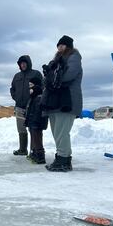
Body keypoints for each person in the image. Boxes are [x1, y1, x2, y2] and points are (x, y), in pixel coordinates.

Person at [41, 35, 83, 172]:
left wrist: (50, 76)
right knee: (56, 132)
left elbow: (68, 75)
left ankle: (64, 160)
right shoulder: (56, 61)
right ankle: (60, 158)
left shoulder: (74, 58)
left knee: (62, 132)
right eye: (58, 45)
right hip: (54, 102)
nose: (60, 48)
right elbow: (47, 80)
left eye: (63, 45)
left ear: (69, 46)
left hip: (67, 101)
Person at [10, 55, 43, 156]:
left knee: (33, 128)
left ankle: (35, 150)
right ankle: (22, 149)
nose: (23, 65)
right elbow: (12, 89)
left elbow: (42, 87)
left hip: (32, 107)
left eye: (24, 63)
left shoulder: (36, 74)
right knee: (21, 128)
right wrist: (15, 97)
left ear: (28, 63)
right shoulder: (17, 76)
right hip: (20, 106)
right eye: (21, 63)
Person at [24, 78, 48, 164]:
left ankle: (40, 156)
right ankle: (35, 153)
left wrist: (35, 123)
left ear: (36, 86)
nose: (29, 88)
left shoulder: (39, 97)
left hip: (36, 123)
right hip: (33, 122)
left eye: (31, 86)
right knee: (34, 138)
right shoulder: (33, 97)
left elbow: (38, 113)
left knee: (37, 138)